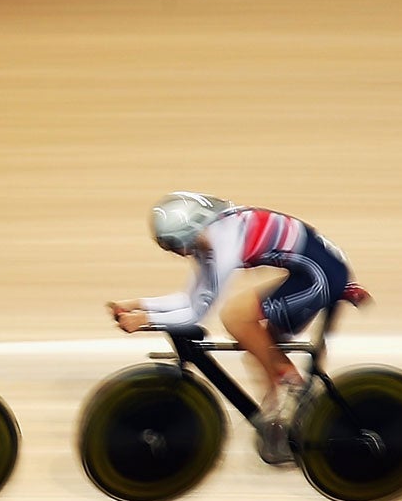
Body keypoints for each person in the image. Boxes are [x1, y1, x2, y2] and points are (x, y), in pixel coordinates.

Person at [107, 192, 365, 463]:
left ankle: (292, 391)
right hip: (312, 270)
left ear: (191, 231)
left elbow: (196, 314)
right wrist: (136, 305)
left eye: (174, 244)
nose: (176, 253)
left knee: (237, 318)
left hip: (322, 275)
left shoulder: (224, 244)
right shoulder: (207, 238)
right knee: (256, 342)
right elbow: (189, 298)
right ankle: (280, 419)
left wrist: (146, 320)